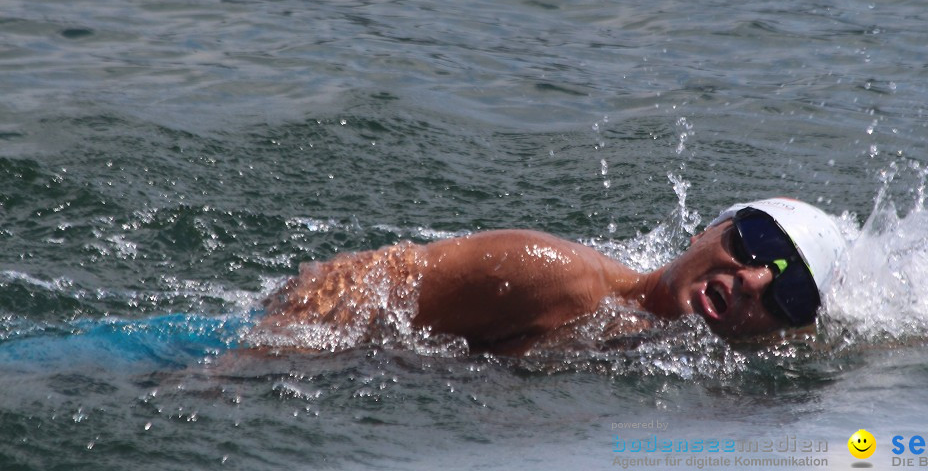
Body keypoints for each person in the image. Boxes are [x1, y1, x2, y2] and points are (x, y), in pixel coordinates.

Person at [250, 198, 845, 355]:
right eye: (755, 243)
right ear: (704, 233)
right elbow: (369, 279)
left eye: (789, 293)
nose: (754, 280)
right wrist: (256, 362)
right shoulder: (553, 275)